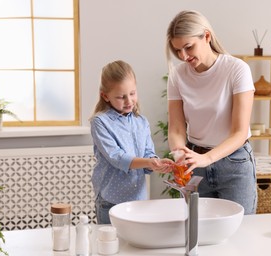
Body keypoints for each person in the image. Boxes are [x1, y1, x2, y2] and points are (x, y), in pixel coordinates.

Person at [165, 10, 257, 214]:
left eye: (188, 47)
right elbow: (177, 128)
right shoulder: (177, 76)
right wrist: (180, 155)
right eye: (178, 50)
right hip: (195, 161)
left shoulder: (237, 70)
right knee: (199, 232)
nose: (183, 56)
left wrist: (206, 159)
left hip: (234, 163)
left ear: (206, 36)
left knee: (240, 232)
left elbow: (239, 133)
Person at [90, 60, 173, 224]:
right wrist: (149, 161)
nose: (128, 101)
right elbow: (118, 158)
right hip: (110, 200)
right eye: (121, 97)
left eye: (133, 93)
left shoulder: (141, 121)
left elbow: (148, 153)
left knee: (134, 246)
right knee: (110, 245)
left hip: (138, 200)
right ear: (105, 96)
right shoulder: (100, 122)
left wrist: (155, 163)